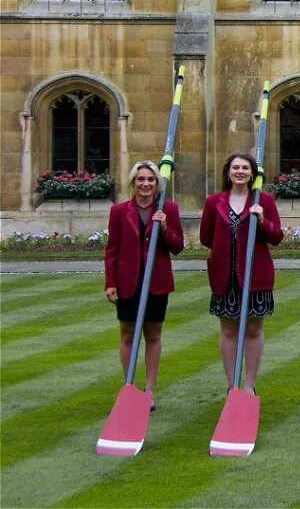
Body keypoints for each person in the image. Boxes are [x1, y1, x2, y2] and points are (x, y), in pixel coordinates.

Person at [104, 160, 185, 410]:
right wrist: (110, 282)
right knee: (127, 334)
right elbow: (112, 250)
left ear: (157, 183)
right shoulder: (119, 211)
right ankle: (128, 385)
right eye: (141, 179)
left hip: (156, 282)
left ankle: (149, 389)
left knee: (153, 335)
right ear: (133, 182)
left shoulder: (168, 209)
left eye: (151, 179)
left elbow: (178, 246)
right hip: (128, 281)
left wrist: (163, 228)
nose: (146, 184)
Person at [199, 152, 283, 394]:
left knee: (254, 329)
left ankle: (248, 384)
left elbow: (276, 237)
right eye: (235, 167)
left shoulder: (263, 200)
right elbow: (206, 237)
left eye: (245, 168)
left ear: (252, 173)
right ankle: (232, 384)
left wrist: (263, 220)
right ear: (228, 172)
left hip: (255, 274)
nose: (240, 172)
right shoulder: (213, 202)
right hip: (225, 276)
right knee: (228, 330)